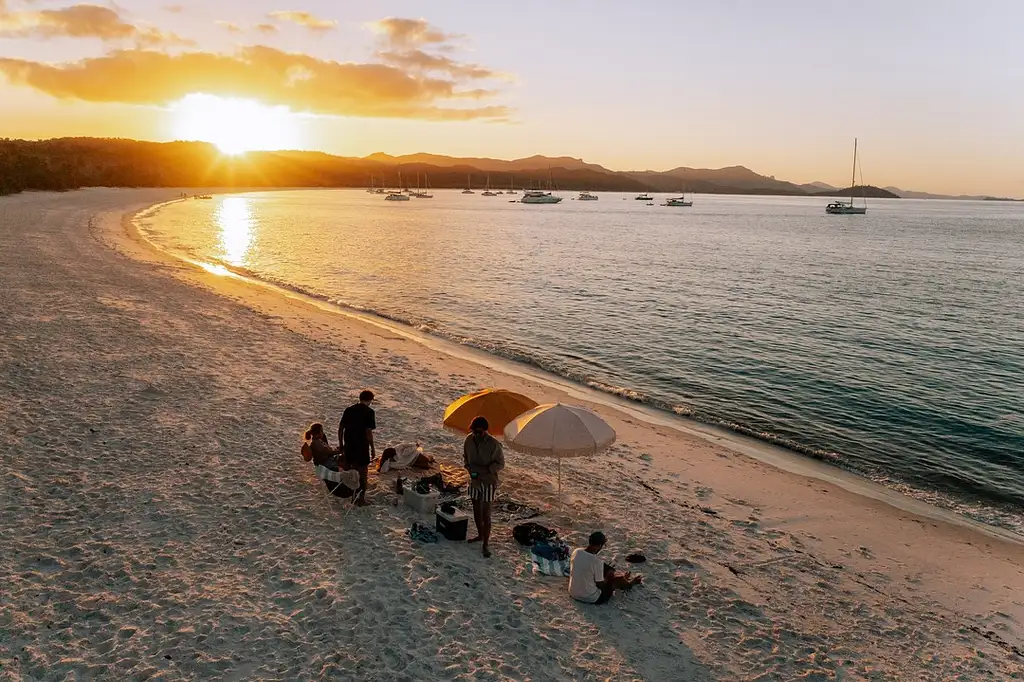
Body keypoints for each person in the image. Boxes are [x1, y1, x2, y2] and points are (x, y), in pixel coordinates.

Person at [463, 416, 504, 558]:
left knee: (486, 514)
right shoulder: (468, 440)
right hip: (474, 481)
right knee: (476, 510)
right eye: (474, 431)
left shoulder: (493, 444)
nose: (476, 434)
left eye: (479, 432)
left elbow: (501, 464)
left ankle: (485, 543)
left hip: (488, 482)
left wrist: (487, 470)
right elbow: (465, 458)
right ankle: (480, 535)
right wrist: (470, 469)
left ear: (485, 431)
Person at [569, 531, 643, 605]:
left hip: (573, 592)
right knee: (616, 580)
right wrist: (608, 578)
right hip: (591, 598)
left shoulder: (576, 552)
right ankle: (629, 584)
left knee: (604, 568)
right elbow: (600, 585)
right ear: (600, 545)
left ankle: (621, 578)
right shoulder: (596, 562)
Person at [339, 390, 376, 506]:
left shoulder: (349, 410)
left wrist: (341, 445)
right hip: (361, 448)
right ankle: (360, 500)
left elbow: (340, 429)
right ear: (369, 400)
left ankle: (351, 495)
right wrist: (373, 448)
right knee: (362, 474)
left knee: (350, 472)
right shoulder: (369, 412)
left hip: (349, 446)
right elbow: (368, 433)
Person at [303, 423, 354, 498]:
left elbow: (327, 452)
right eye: (322, 431)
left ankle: (353, 478)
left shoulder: (318, 442)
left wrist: (337, 450)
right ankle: (355, 481)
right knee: (347, 458)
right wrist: (339, 451)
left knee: (345, 457)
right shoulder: (316, 443)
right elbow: (327, 452)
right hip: (328, 466)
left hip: (328, 464)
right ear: (320, 431)